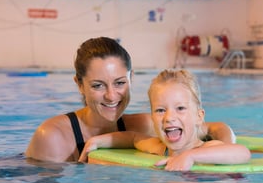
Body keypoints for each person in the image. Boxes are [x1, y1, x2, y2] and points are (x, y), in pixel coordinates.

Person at [26, 37, 234, 163]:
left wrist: (218, 157)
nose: (111, 95)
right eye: (98, 85)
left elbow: (218, 129)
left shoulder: (143, 125)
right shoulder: (54, 136)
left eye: (119, 83)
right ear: (79, 84)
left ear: (131, 78)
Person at [79, 68, 251, 171]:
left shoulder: (208, 148)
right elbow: (132, 138)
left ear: (199, 117)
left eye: (180, 108)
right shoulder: (160, 148)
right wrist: (97, 141)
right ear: (152, 117)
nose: (169, 118)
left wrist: (191, 156)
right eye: (160, 110)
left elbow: (242, 153)